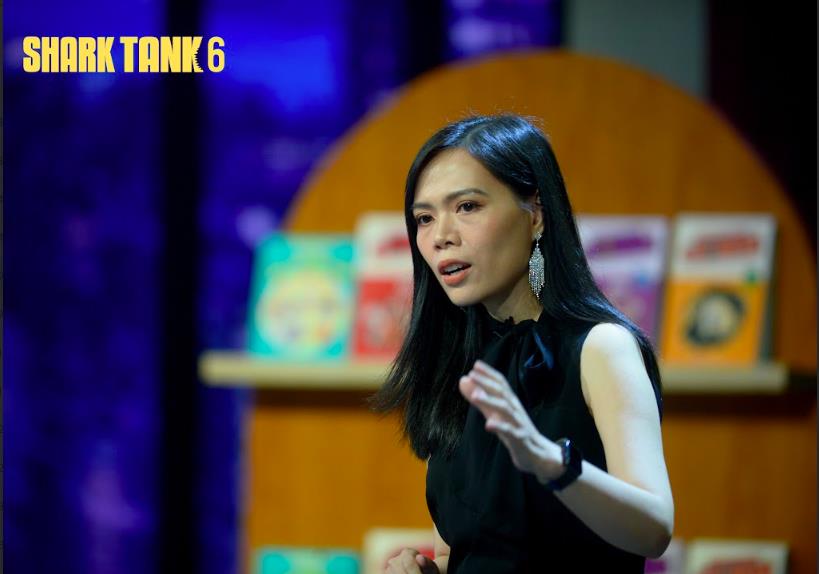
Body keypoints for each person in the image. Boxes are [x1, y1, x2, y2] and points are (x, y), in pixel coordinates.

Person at [368, 114, 674, 573]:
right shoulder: (456, 365)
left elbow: (654, 528)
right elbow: (461, 549)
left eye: (467, 206)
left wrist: (551, 462)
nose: (441, 236)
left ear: (535, 215)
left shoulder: (600, 348)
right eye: (424, 218)